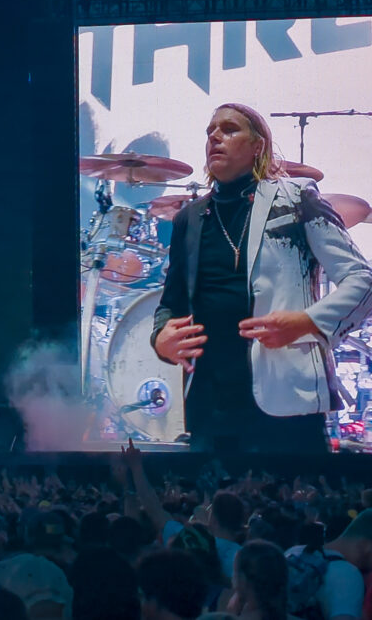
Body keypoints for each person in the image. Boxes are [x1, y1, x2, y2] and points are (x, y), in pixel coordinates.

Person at [152, 103, 372, 453]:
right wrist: (160, 339)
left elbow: (362, 280)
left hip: (287, 402)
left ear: (258, 146)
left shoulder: (296, 198)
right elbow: (171, 305)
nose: (215, 136)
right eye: (210, 132)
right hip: (210, 408)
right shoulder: (189, 218)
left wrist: (307, 322)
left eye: (229, 129)